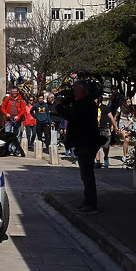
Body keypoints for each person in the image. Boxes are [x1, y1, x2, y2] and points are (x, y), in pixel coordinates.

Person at [55, 78, 102, 214]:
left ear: (83, 90)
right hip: (83, 142)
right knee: (85, 175)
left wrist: (59, 106)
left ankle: (91, 204)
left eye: (76, 90)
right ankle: (87, 201)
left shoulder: (86, 105)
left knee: (87, 174)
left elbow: (72, 116)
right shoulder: (81, 103)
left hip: (87, 142)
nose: (74, 93)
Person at [0, 88, 26, 156]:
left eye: (15, 91)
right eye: (12, 91)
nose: (14, 93)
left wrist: (18, 116)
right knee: (7, 135)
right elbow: (2, 108)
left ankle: (16, 150)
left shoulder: (21, 100)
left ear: (17, 92)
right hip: (8, 119)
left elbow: (23, 110)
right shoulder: (7, 99)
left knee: (17, 135)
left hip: (17, 120)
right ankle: (9, 149)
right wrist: (6, 114)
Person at [95, 95, 117, 168]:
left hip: (104, 129)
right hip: (95, 130)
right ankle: (98, 161)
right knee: (96, 146)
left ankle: (106, 157)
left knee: (106, 146)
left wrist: (115, 126)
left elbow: (111, 117)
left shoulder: (105, 108)